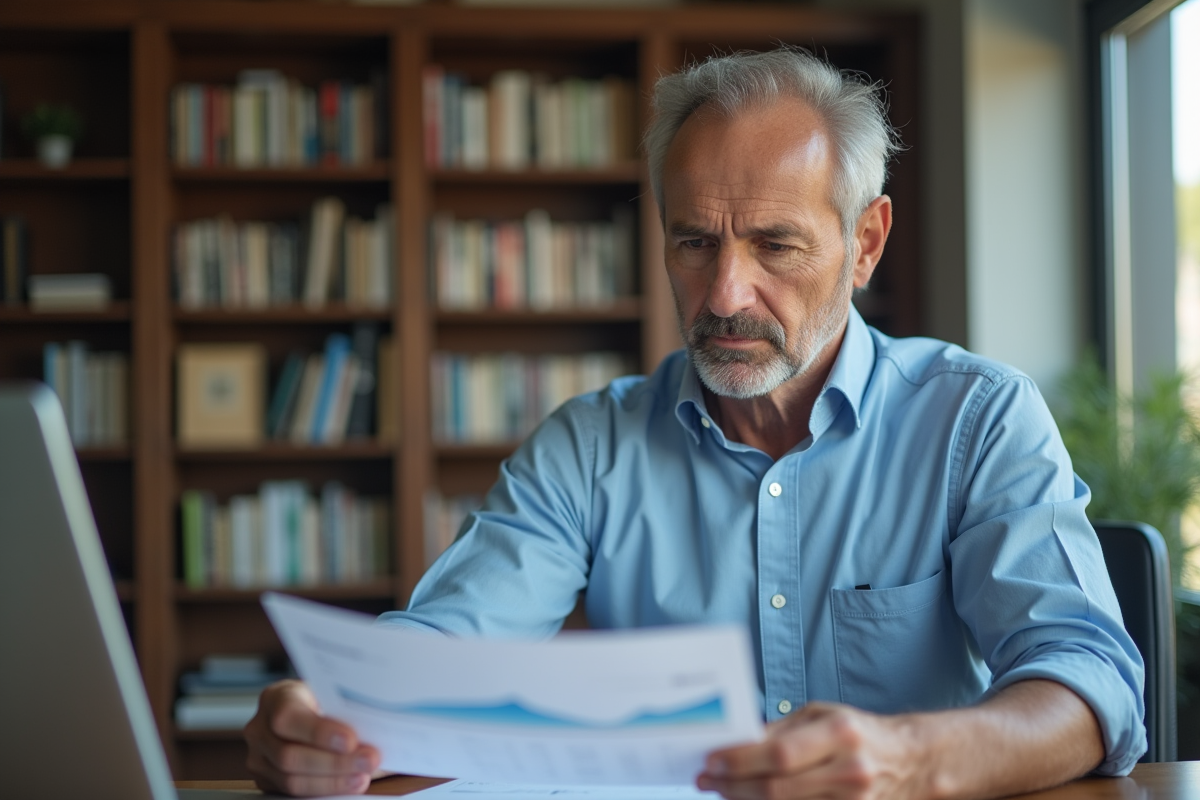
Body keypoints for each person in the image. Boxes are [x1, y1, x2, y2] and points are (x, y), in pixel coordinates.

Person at [244, 47, 1146, 798]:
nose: (724, 295)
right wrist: (337, 714)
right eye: (694, 241)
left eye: (776, 246)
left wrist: (909, 758)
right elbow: (451, 650)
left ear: (865, 243)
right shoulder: (591, 446)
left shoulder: (976, 419)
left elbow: (1087, 681)